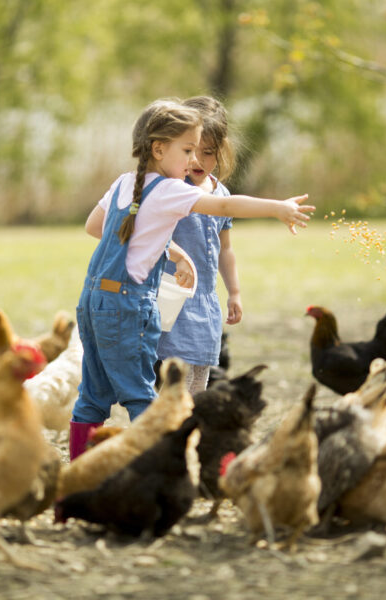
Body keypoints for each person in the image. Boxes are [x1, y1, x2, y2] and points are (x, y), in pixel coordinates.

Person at [67, 98, 313, 461]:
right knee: (144, 398)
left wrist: (168, 248)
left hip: (93, 303)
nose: (192, 160)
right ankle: (152, 473)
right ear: (158, 148)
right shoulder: (170, 190)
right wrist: (277, 208)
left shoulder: (124, 183)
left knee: (92, 397)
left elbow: (96, 227)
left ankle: (76, 477)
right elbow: (226, 207)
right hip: (126, 306)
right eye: (187, 150)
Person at [156, 96, 240, 395]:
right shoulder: (171, 189)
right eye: (190, 151)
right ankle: (167, 427)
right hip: (172, 294)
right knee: (170, 377)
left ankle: (191, 427)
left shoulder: (221, 192)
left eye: (208, 153)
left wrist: (234, 292)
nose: (198, 162)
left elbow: (225, 249)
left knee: (200, 378)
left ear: (221, 151)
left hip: (205, 300)